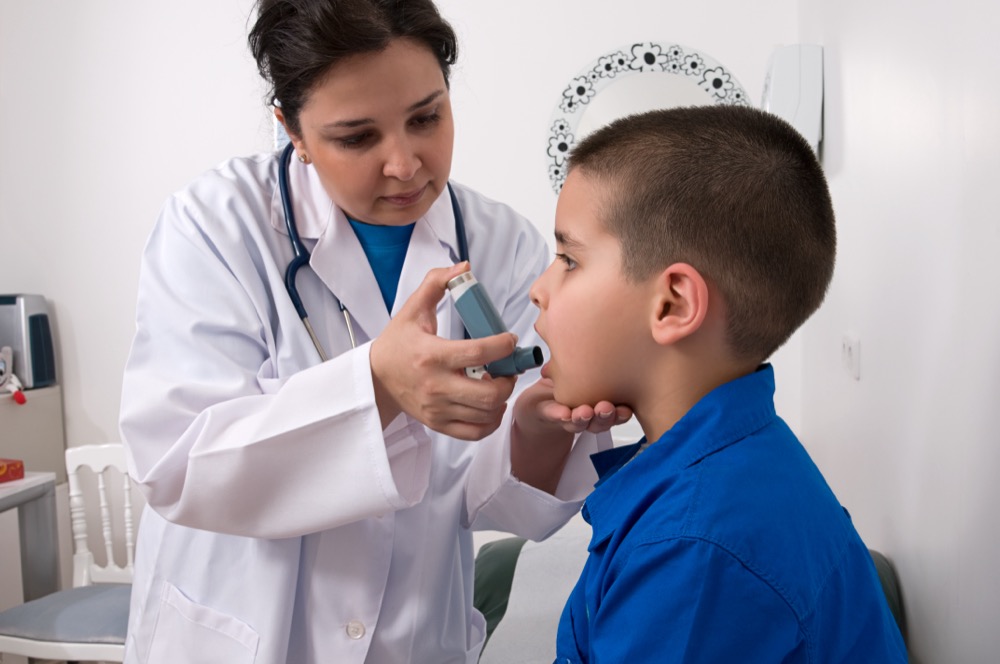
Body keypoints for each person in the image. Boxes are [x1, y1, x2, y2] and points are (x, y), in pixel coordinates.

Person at [118, 1, 628, 662]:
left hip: (411, 637)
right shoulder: (216, 227)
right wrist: (378, 385)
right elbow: (177, 465)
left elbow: (494, 501)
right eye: (357, 137)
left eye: (426, 117)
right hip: (245, 636)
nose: (406, 164)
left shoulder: (497, 242)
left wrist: (534, 429)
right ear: (292, 131)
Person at [529, 105, 908, 662]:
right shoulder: (741, 461)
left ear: (673, 303)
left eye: (568, 259)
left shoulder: (693, 550)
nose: (540, 288)